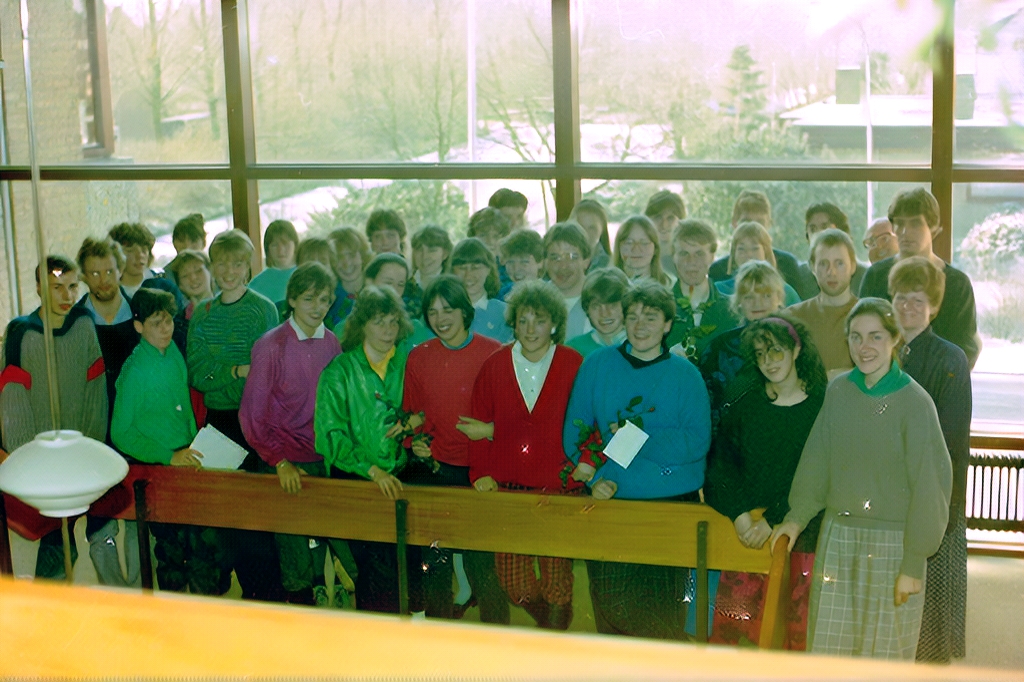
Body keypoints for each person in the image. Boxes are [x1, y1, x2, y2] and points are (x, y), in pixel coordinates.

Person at [770, 298, 952, 660]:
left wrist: (914, 562)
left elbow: (931, 487)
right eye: (855, 337)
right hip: (840, 538)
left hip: (895, 544)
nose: (864, 347)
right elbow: (818, 460)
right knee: (830, 649)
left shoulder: (916, 403)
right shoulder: (839, 392)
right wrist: (795, 518)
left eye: (875, 337)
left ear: (895, 338)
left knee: (885, 654)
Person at [565, 280, 710, 640]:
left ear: (667, 325)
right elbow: (576, 434)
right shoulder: (597, 365)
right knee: (614, 607)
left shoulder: (686, 374)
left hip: (671, 509)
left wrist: (636, 436)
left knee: (665, 609)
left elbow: (696, 442)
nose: (640, 324)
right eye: (632, 316)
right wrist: (592, 479)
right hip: (614, 504)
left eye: (651, 316)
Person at [703, 315, 827, 649]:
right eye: (760, 354)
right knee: (735, 639)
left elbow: (818, 475)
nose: (768, 362)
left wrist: (774, 520)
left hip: (802, 539)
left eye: (775, 352)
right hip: (749, 538)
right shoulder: (746, 404)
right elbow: (720, 466)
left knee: (795, 640)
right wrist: (742, 516)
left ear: (796, 349)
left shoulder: (821, 406)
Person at [468, 280, 583, 630]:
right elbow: (477, 422)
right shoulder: (495, 364)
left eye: (540, 319)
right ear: (514, 324)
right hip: (509, 487)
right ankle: (549, 625)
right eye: (523, 320)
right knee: (513, 581)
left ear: (554, 324)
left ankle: (554, 637)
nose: (531, 328)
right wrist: (480, 472)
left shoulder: (572, 362)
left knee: (557, 577)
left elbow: (583, 423)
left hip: (557, 487)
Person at [240, 263, 355, 607]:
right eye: (308, 299)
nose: (317, 307)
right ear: (291, 300)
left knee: (344, 544)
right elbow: (252, 416)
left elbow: (337, 405)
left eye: (324, 299)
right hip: (285, 460)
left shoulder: (332, 342)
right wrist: (280, 462)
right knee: (296, 563)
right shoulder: (271, 346)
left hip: (324, 457)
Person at [397, 275, 508, 622]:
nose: (440, 317)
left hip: (480, 473)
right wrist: (413, 442)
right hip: (437, 471)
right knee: (437, 565)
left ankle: (499, 642)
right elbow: (411, 415)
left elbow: (513, 417)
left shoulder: (493, 352)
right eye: (432, 311)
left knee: (483, 568)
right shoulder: (419, 356)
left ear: (464, 310)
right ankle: (439, 640)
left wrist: (490, 432)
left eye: (448, 309)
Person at [315, 285, 430, 615]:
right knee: (375, 575)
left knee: (410, 567)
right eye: (379, 321)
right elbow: (330, 436)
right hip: (358, 480)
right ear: (362, 324)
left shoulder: (406, 365)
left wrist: (416, 428)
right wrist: (373, 470)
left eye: (394, 322)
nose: (388, 330)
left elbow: (424, 412)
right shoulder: (340, 371)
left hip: (400, 475)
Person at [110, 287, 227, 595]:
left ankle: (208, 614)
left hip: (189, 460)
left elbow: (184, 405)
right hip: (160, 469)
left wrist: (195, 441)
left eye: (169, 321)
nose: (166, 329)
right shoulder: (134, 372)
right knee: (172, 553)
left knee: (204, 546)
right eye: (156, 323)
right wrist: (168, 455)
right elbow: (121, 433)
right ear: (138, 326)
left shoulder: (173, 350)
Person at [187, 229, 282, 603]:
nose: (229, 271)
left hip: (256, 420)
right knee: (223, 512)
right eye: (221, 263)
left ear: (248, 266)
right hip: (219, 422)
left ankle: (264, 595)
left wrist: (223, 373)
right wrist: (236, 372)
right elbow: (197, 372)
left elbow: (267, 372)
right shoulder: (203, 314)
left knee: (258, 515)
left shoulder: (264, 309)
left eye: (237, 263)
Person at [1, 256, 108, 581]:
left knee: (70, 540)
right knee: (51, 547)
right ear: (38, 289)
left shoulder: (84, 324)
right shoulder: (22, 333)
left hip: (76, 456)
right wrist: (30, 462)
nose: (66, 295)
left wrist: (88, 450)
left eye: (72, 286)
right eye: (56, 287)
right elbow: (13, 405)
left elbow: (95, 392)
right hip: (39, 463)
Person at [888, 257, 971, 664]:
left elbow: (953, 442)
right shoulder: (878, 351)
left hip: (934, 502)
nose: (907, 308)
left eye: (917, 300)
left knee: (929, 625)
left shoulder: (950, 359)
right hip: (888, 499)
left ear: (934, 306)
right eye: (900, 298)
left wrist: (946, 509)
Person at [859, 187, 980, 368]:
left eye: (915, 223)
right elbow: (861, 332)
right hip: (883, 380)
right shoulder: (875, 276)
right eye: (899, 223)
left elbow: (965, 348)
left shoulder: (956, 283)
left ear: (933, 228)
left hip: (938, 382)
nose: (905, 231)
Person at [699, 261, 787, 434]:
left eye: (766, 295)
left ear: (779, 298)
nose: (757, 303)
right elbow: (706, 406)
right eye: (749, 297)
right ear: (738, 302)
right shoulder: (719, 348)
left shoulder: (795, 344)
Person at [786, 228, 859, 378]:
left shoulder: (870, 316)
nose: (831, 272)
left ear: (853, 266)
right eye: (823, 264)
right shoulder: (792, 318)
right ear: (812, 267)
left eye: (839, 263)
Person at [664, 218, 738, 362]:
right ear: (673, 257)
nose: (691, 261)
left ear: (712, 257)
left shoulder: (731, 311)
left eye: (699, 253)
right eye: (684, 253)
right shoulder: (659, 309)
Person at [707, 190, 803, 292]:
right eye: (746, 221)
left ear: (769, 224)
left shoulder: (787, 264)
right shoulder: (718, 270)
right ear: (735, 223)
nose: (753, 227)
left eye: (760, 222)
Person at [713, 221, 800, 305]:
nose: (748, 254)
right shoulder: (718, 290)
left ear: (766, 252)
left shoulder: (785, 291)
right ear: (733, 254)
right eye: (741, 249)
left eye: (755, 248)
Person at [794, 203, 868, 299]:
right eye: (813, 229)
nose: (818, 233)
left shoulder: (864, 275)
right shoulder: (799, 275)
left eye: (824, 227)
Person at [450, 238, 512, 343]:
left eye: (475, 267)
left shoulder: (504, 313)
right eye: (462, 267)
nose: (468, 274)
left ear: (488, 269)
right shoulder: (442, 312)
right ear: (452, 271)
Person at [543, 222, 592, 339]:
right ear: (545, 262)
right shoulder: (537, 300)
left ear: (586, 261)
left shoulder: (600, 301)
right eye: (555, 258)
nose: (563, 266)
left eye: (572, 257)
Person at [566, 267, 629, 358]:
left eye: (612, 306)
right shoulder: (574, 349)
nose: (604, 314)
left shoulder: (641, 345)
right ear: (587, 309)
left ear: (626, 305)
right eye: (596, 306)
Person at [326, 227, 372, 329]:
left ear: (363, 255)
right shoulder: (327, 296)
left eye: (351, 255)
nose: (346, 263)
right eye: (339, 257)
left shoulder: (378, 290)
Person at [613, 215, 674, 287]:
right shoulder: (607, 286)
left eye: (644, 243)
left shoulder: (671, 285)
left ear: (655, 249)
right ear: (618, 247)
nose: (636, 249)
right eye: (629, 242)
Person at [248, 219, 299, 305]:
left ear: (295, 245)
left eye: (285, 243)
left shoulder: (307, 275)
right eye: (274, 245)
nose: (281, 250)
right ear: (267, 250)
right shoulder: (256, 285)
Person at [108, 222, 160, 297]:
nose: (140, 256)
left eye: (144, 250)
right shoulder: (110, 294)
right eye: (130, 251)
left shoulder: (161, 284)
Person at [644, 190, 685, 277]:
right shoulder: (637, 256)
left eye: (670, 218)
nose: (664, 225)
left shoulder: (686, 259)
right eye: (658, 217)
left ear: (680, 222)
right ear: (647, 220)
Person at [498, 229, 544, 300]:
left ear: (540, 262)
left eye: (524, 262)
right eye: (510, 262)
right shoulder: (502, 295)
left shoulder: (550, 295)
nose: (516, 269)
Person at [409, 224, 452, 301]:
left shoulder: (452, 287)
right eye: (419, 249)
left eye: (432, 250)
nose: (425, 256)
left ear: (445, 254)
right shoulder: (404, 284)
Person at [570, 199, 612, 271]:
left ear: (602, 231)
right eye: (580, 227)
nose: (585, 233)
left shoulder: (610, 266)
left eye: (592, 228)